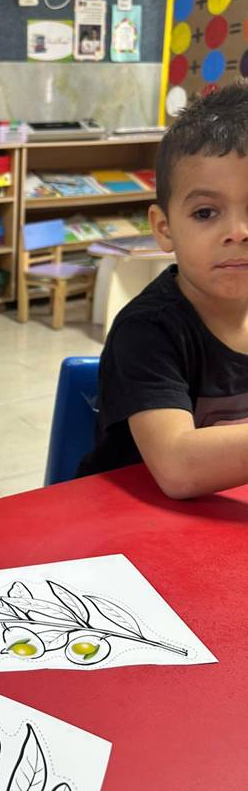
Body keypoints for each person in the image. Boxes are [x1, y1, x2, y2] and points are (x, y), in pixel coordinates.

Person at [78, 81, 248, 498]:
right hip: (129, 521)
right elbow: (178, 465)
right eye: (206, 213)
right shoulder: (147, 330)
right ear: (164, 228)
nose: (238, 232)